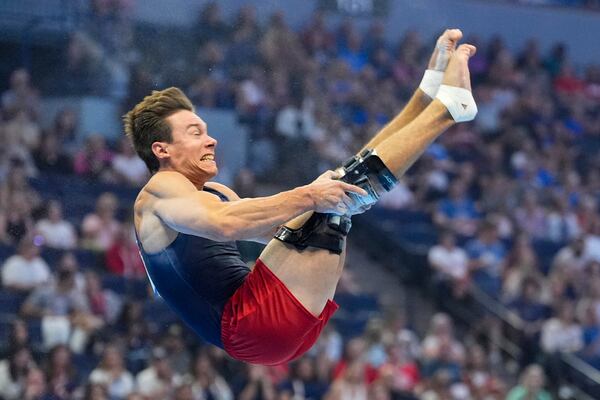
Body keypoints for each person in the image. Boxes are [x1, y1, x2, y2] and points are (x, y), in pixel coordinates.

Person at [126, 29, 477, 365]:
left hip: (276, 327)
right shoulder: (159, 190)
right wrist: (310, 195)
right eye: (195, 133)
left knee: (341, 190)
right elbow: (225, 224)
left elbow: (277, 222)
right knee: (332, 194)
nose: (211, 140)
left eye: (207, 131)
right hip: (246, 323)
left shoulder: (215, 193)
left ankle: (427, 97)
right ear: (162, 150)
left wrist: (318, 195)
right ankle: (446, 110)